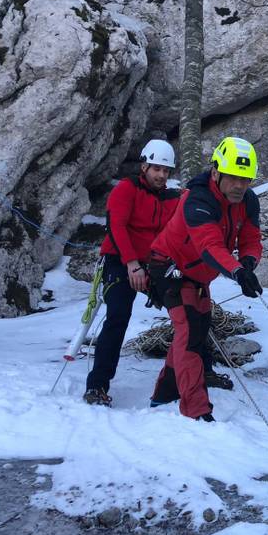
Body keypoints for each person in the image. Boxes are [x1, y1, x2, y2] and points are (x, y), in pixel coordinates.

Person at [147, 136, 263, 422]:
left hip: (199, 276)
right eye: (234, 178)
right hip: (168, 269)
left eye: (246, 179)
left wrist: (248, 263)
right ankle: (196, 410)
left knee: (195, 330)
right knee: (190, 336)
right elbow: (210, 246)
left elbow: (250, 237)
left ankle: (164, 392)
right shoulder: (197, 200)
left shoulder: (247, 201)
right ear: (215, 172)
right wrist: (237, 272)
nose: (240, 185)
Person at [83, 140, 180, 406]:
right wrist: (132, 264)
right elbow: (116, 227)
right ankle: (97, 386)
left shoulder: (172, 198)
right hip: (119, 261)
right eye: (157, 168)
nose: (161, 175)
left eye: (166, 171)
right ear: (145, 166)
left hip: (155, 263)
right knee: (117, 317)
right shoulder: (126, 190)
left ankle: (201, 372)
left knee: (189, 308)